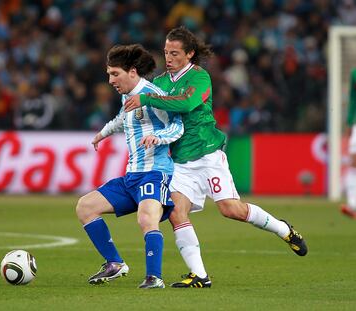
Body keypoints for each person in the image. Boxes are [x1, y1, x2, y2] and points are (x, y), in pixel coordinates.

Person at [124, 26, 308, 288]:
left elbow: (186, 104)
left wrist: (148, 99)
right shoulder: (161, 83)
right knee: (176, 212)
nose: (169, 58)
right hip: (179, 161)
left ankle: (283, 229)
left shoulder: (200, 78)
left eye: (175, 53)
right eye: (166, 52)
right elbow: (151, 107)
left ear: (189, 54)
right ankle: (199, 275)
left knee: (231, 209)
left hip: (207, 154)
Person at [75, 44, 183, 289]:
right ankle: (114, 263)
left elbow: (177, 126)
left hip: (155, 174)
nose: (110, 80)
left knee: (146, 219)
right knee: (85, 207)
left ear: (132, 72)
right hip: (131, 176)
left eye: (115, 74)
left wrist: (159, 137)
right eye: (109, 74)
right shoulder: (128, 96)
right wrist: (102, 134)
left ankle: (154, 277)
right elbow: (123, 119)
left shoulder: (154, 96)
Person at [341, 68, 356, 218]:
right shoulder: (354, 73)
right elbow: (353, 98)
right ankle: (352, 204)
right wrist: (350, 121)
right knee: (353, 161)